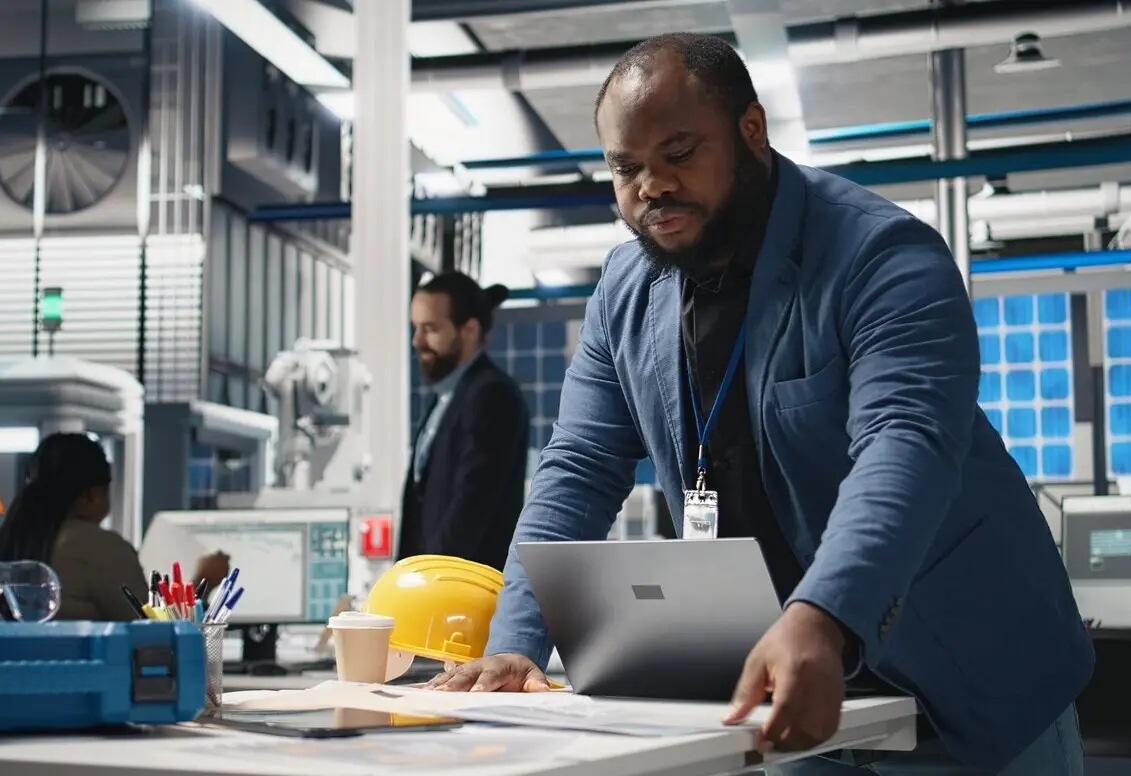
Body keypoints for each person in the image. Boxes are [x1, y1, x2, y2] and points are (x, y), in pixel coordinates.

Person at [425, 33, 1092, 776]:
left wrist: (825, 614)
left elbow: (904, 445)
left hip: (969, 682)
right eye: (626, 167)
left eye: (679, 152)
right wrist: (516, 639)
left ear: (751, 131)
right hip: (786, 698)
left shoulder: (881, 254)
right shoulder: (625, 289)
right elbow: (578, 466)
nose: (651, 186)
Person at [0, 432, 229, 621]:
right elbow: (156, 634)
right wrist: (203, 582)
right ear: (91, 495)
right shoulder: (99, 548)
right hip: (80, 690)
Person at [398, 272, 530, 572]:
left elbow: (470, 509)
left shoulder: (492, 396)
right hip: (431, 588)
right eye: (415, 328)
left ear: (469, 330)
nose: (417, 341)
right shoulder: (444, 398)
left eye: (429, 328)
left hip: (462, 592)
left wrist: (431, 582)